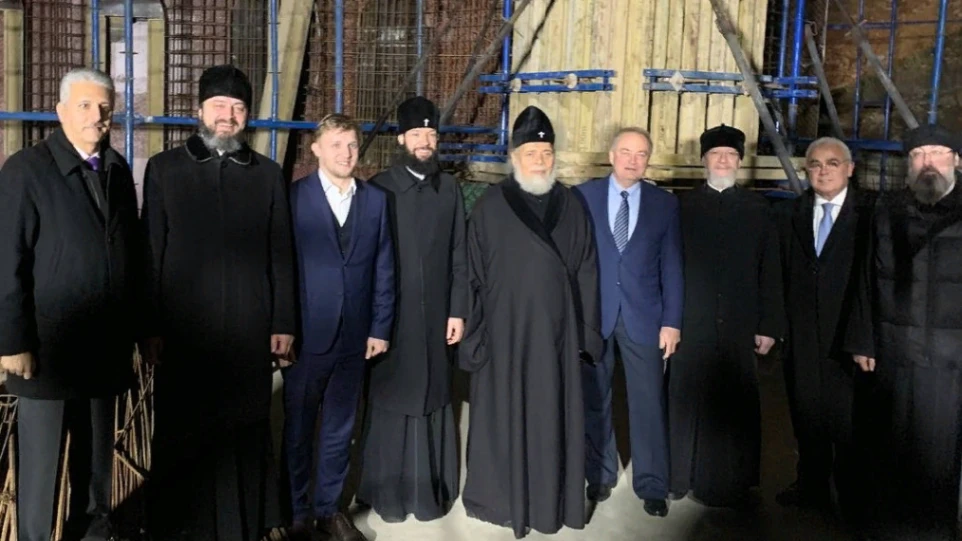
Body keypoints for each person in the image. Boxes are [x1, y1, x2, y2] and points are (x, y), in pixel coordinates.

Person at [141, 64, 296, 541]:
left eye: (238, 107)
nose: (228, 115)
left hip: (248, 330)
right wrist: (149, 327)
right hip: (184, 333)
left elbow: (281, 252)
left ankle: (244, 522)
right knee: (185, 431)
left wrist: (284, 321)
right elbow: (150, 250)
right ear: (200, 111)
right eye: (219, 106)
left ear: (246, 116)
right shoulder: (164, 170)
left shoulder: (267, 176)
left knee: (243, 432)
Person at [0, 67, 141, 541]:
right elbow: (6, 262)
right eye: (84, 105)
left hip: (104, 351)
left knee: (97, 469)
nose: (96, 116)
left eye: (104, 107)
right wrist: (12, 340)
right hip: (47, 353)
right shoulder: (26, 170)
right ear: (60, 111)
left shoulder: (118, 170)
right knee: (40, 474)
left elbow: (131, 257)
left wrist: (140, 331)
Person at [460, 105, 602, 538]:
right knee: (504, 419)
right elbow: (472, 274)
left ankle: (550, 502)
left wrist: (586, 333)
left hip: (557, 339)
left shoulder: (572, 205)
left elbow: (588, 270)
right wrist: (474, 334)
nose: (540, 160)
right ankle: (501, 499)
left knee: (553, 420)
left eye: (546, 152)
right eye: (531, 152)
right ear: (514, 156)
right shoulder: (490, 206)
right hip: (506, 338)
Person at [846, 124, 962, 540]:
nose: (928, 162)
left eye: (938, 153)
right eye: (919, 155)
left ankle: (932, 530)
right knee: (888, 444)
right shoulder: (885, 209)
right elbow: (864, 277)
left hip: (950, 360)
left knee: (938, 452)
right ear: (909, 165)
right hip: (893, 351)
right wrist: (862, 338)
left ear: (957, 162)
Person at [284, 113, 395, 541]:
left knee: (338, 430)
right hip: (308, 335)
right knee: (297, 430)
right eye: (336, 145)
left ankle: (329, 510)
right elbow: (284, 267)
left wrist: (380, 326)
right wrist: (284, 327)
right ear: (316, 149)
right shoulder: (294, 198)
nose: (346, 154)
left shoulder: (375, 201)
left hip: (355, 336)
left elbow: (385, 267)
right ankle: (296, 513)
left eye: (351, 145)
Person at [358, 96, 467, 523]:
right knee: (394, 397)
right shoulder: (380, 189)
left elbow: (460, 253)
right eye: (417, 134)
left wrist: (458, 311)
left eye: (431, 134)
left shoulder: (451, 189)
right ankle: (388, 493)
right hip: (393, 322)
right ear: (401, 138)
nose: (425, 141)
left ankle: (430, 491)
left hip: (438, 318)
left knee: (435, 396)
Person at [668, 124, 784, 508]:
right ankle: (680, 475)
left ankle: (736, 480)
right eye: (716, 155)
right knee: (687, 396)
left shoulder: (759, 209)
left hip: (740, 320)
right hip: (691, 319)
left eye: (730, 155)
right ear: (703, 161)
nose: (723, 160)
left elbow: (770, 269)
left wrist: (769, 325)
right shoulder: (680, 207)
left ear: (739, 161)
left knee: (736, 397)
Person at [573, 127, 682, 517]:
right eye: (626, 152)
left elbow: (672, 266)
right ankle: (599, 475)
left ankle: (652, 483)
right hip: (594, 317)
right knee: (594, 399)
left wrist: (671, 322)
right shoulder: (581, 197)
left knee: (649, 402)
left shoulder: (664, 204)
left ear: (648, 159)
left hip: (645, 318)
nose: (633, 160)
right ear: (611, 154)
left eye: (641, 154)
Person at [774, 137, 873, 518]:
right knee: (806, 413)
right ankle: (811, 484)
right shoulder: (791, 213)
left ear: (849, 168)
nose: (823, 170)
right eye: (815, 164)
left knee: (849, 420)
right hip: (802, 335)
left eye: (832, 163)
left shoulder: (870, 214)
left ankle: (852, 492)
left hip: (850, 335)